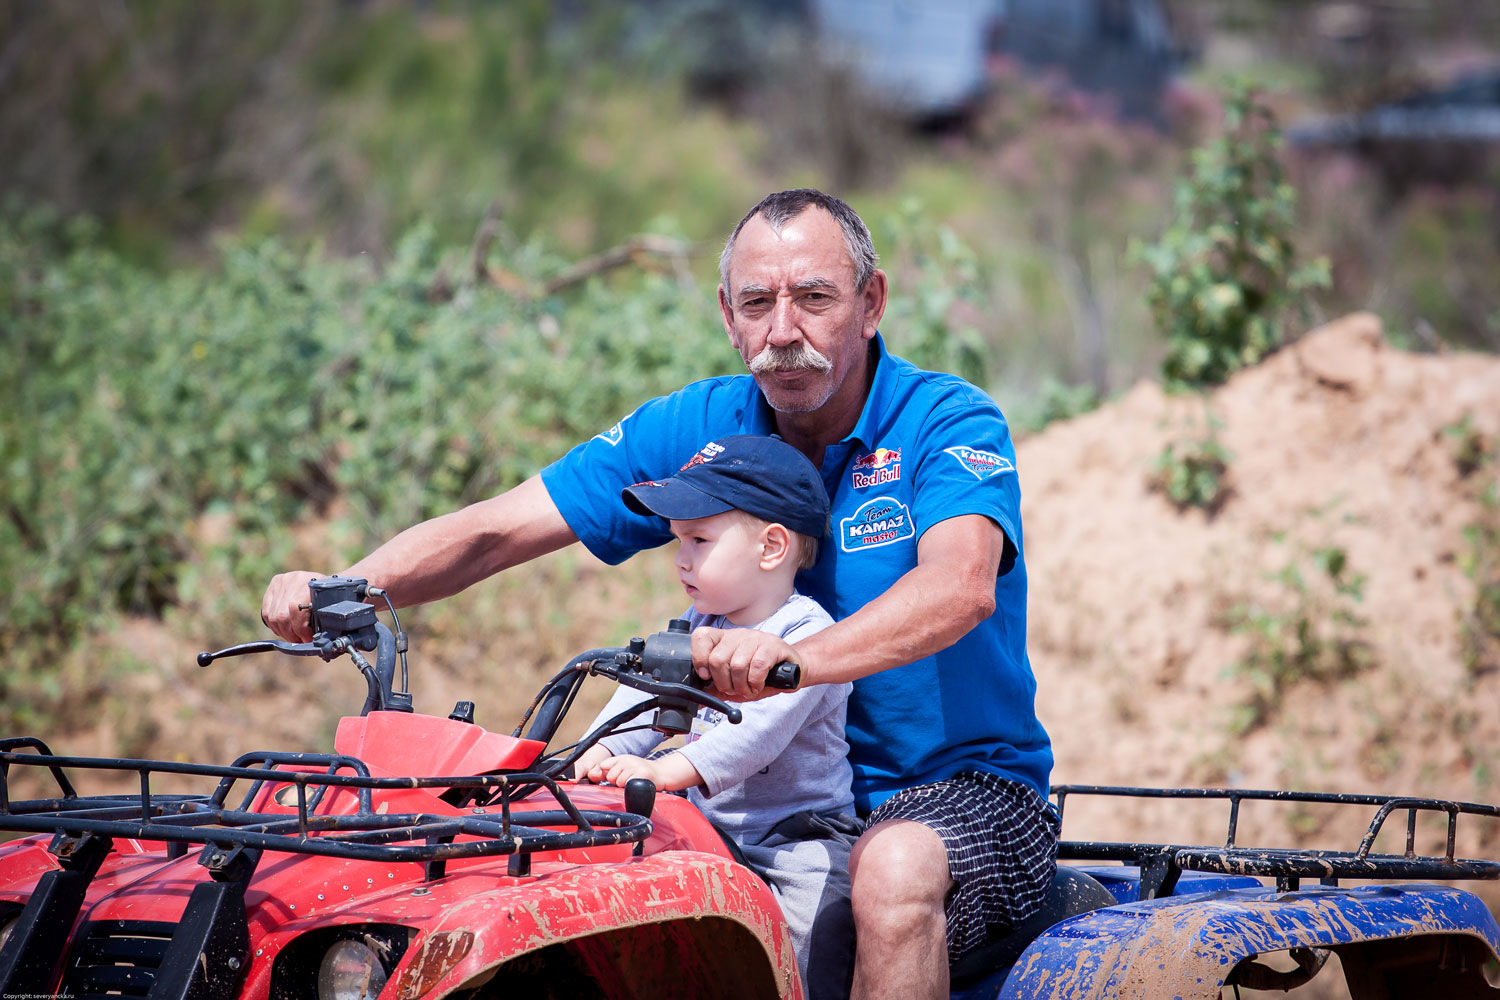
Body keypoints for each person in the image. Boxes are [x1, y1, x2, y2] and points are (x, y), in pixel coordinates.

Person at [262, 188, 1056, 1000]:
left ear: (870, 302)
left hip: (961, 791)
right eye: (759, 303)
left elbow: (958, 587)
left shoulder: (945, 420)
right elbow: (500, 528)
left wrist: (791, 661)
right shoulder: (700, 429)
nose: (784, 331)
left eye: (814, 298)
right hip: (755, 804)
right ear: (727, 315)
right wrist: (345, 585)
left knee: (890, 867)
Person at [572, 432, 858, 1000]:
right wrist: (597, 752)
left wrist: (664, 772)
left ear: (771, 548)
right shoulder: (701, 623)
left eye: (699, 539)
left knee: (805, 937)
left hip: (790, 838)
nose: (681, 559)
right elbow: (646, 695)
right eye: (679, 542)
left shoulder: (807, 635)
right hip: (705, 827)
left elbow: (757, 736)